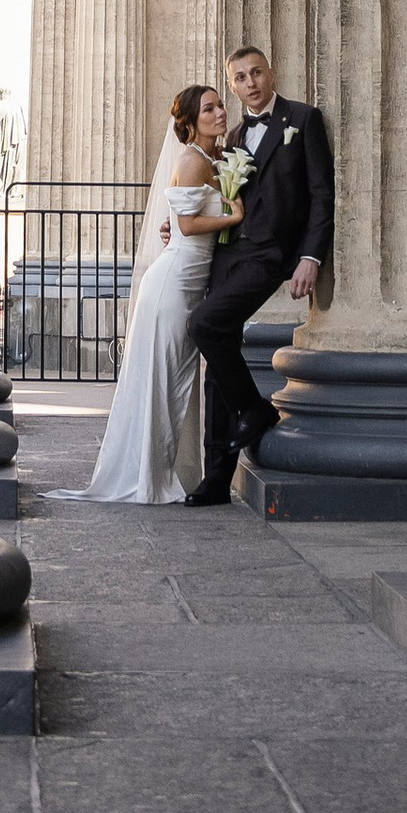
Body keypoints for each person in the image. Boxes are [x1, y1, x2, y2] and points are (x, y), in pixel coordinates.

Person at [183, 43, 333, 506]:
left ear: (271, 73)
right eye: (241, 79)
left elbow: (321, 196)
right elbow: (222, 200)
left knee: (203, 325)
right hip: (226, 255)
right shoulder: (231, 140)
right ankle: (216, 479)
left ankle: (254, 408)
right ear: (233, 87)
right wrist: (181, 217)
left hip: (269, 256)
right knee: (216, 356)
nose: (251, 83)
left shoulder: (302, 120)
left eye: (257, 73)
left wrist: (311, 257)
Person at [76, 83, 238, 506]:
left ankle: (171, 471)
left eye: (220, 105)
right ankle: (147, 474)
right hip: (172, 283)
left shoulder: (217, 157)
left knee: (176, 380)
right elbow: (185, 226)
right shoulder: (191, 160)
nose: (220, 112)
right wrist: (233, 217)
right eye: (209, 109)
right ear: (189, 121)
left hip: (191, 281)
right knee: (164, 379)